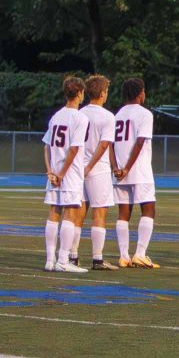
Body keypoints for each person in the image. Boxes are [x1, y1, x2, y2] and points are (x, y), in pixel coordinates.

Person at [42, 77, 89, 273]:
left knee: (54, 213)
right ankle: (63, 260)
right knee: (71, 212)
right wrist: (61, 173)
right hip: (69, 174)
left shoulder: (56, 116)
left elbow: (46, 146)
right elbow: (74, 149)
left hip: (55, 173)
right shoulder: (80, 118)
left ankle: (50, 260)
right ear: (79, 93)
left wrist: (50, 171)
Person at [112, 78, 159, 268]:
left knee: (123, 212)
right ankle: (140, 253)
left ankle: (123, 256)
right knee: (148, 209)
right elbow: (140, 142)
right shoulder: (145, 114)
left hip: (119, 171)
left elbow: (110, 144)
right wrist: (128, 168)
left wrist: (116, 167)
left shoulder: (117, 115)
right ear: (140, 93)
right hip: (138, 170)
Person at [76, 75, 119, 270]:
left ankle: (72, 255)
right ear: (102, 93)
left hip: (77, 167)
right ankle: (97, 259)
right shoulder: (108, 116)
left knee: (78, 212)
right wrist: (91, 167)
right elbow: (104, 146)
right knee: (99, 212)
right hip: (97, 169)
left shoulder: (80, 113)